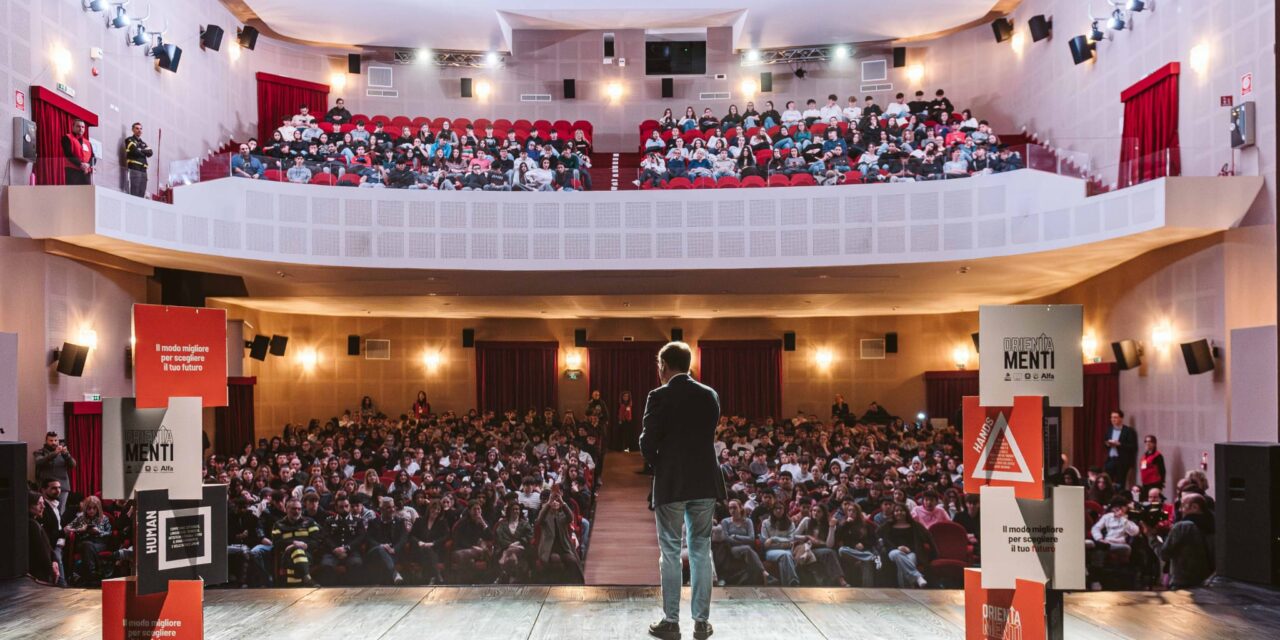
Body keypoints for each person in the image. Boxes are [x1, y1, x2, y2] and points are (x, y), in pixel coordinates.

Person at [640, 341, 724, 640]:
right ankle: (701, 623)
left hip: (672, 481)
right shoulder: (709, 394)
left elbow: (647, 442)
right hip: (704, 480)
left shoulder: (658, 396)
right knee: (701, 549)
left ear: (664, 365)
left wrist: (660, 465)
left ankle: (671, 621)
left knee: (671, 551)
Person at [1151, 493, 1214, 589]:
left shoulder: (1183, 526)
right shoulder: (1212, 523)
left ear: (1195, 507)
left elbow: (1164, 554)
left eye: (1182, 506)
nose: (1180, 510)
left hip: (1183, 584)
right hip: (1206, 582)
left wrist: (1151, 536)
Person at [877, 503, 933, 588]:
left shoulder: (915, 525)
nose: (899, 512)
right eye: (896, 511)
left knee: (905, 563)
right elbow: (877, 534)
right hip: (893, 551)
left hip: (911, 551)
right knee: (896, 554)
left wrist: (909, 549)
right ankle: (918, 576)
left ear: (906, 512)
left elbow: (928, 536)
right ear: (893, 513)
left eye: (901, 510)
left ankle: (906, 590)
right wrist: (897, 548)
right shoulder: (888, 525)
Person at [271, 498, 321, 586]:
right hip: (286, 555)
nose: (297, 511)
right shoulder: (278, 524)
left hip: (307, 554)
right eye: (293, 509)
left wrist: (305, 545)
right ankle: (307, 579)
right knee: (297, 551)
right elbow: (277, 542)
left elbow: (316, 541)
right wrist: (295, 544)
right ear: (287, 509)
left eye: (299, 509)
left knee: (298, 552)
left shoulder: (310, 522)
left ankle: (300, 582)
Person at [65, 495, 112, 585]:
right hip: (83, 543)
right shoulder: (81, 518)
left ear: (98, 508)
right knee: (87, 544)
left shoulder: (104, 518)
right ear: (85, 508)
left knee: (88, 546)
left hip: (99, 543)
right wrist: (80, 530)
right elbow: (67, 528)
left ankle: (90, 576)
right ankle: (95, 572)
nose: (91, 511)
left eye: (94, 508)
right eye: (89, 508)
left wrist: (99, 532)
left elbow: (109, 533)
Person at [34, 432, 76, 507]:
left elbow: (73, 465)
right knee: (46, 510)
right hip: (47, 488)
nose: (54, 442)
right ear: (46, 441)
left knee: (61, 511)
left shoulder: (63, 453)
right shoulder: (40, 452)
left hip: (62, 488)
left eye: (56, 440)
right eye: (51, 440)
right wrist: (55, 453)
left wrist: (66, 455)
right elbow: (39, 462)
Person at [28, 492, 59, 585]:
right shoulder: (31, 524)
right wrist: (50, 570)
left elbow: (47, 546)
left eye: (43, 503)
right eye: (39, 504)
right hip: (39, 574)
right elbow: (41, 551)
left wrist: (54, 560)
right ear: (28, 506)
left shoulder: (35, 522)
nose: (43, 506)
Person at [1103, 411, 1139, 488]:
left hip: (1122, 461)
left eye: (1115, 417)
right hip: (1110, 460)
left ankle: (1120, 498)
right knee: (1107, 482)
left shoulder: (1128, 431)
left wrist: (1120, 444)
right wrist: (1107, 444)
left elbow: (1133, 447)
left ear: (1121, 418)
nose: (1113, 419)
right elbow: (1105, 442)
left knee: (1120, 484)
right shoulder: (1109, 430)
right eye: (1111, 417)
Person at [121, 122, 153, 197]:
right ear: (133, 130)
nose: (139, 130)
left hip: (144, 170)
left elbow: (150, 153)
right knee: (134, 193)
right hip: (134, 169)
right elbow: (134, 151)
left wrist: (140, 150)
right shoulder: (129, 140)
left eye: (141, 129)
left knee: (142, 193)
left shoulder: (143, 143)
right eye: (137, 128)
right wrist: (144, 151)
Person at [61, 119, 95, 185]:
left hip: (86, 173)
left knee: (86, 194)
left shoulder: (88, 142)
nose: (81, 129)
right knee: (73, 193)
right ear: (73, 127)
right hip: (72, 172)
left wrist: (88, 165)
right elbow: (68, 154)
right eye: (78, 126)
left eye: (83, 127)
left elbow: (93, 157)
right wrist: (80, 164)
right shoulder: (67, 138)